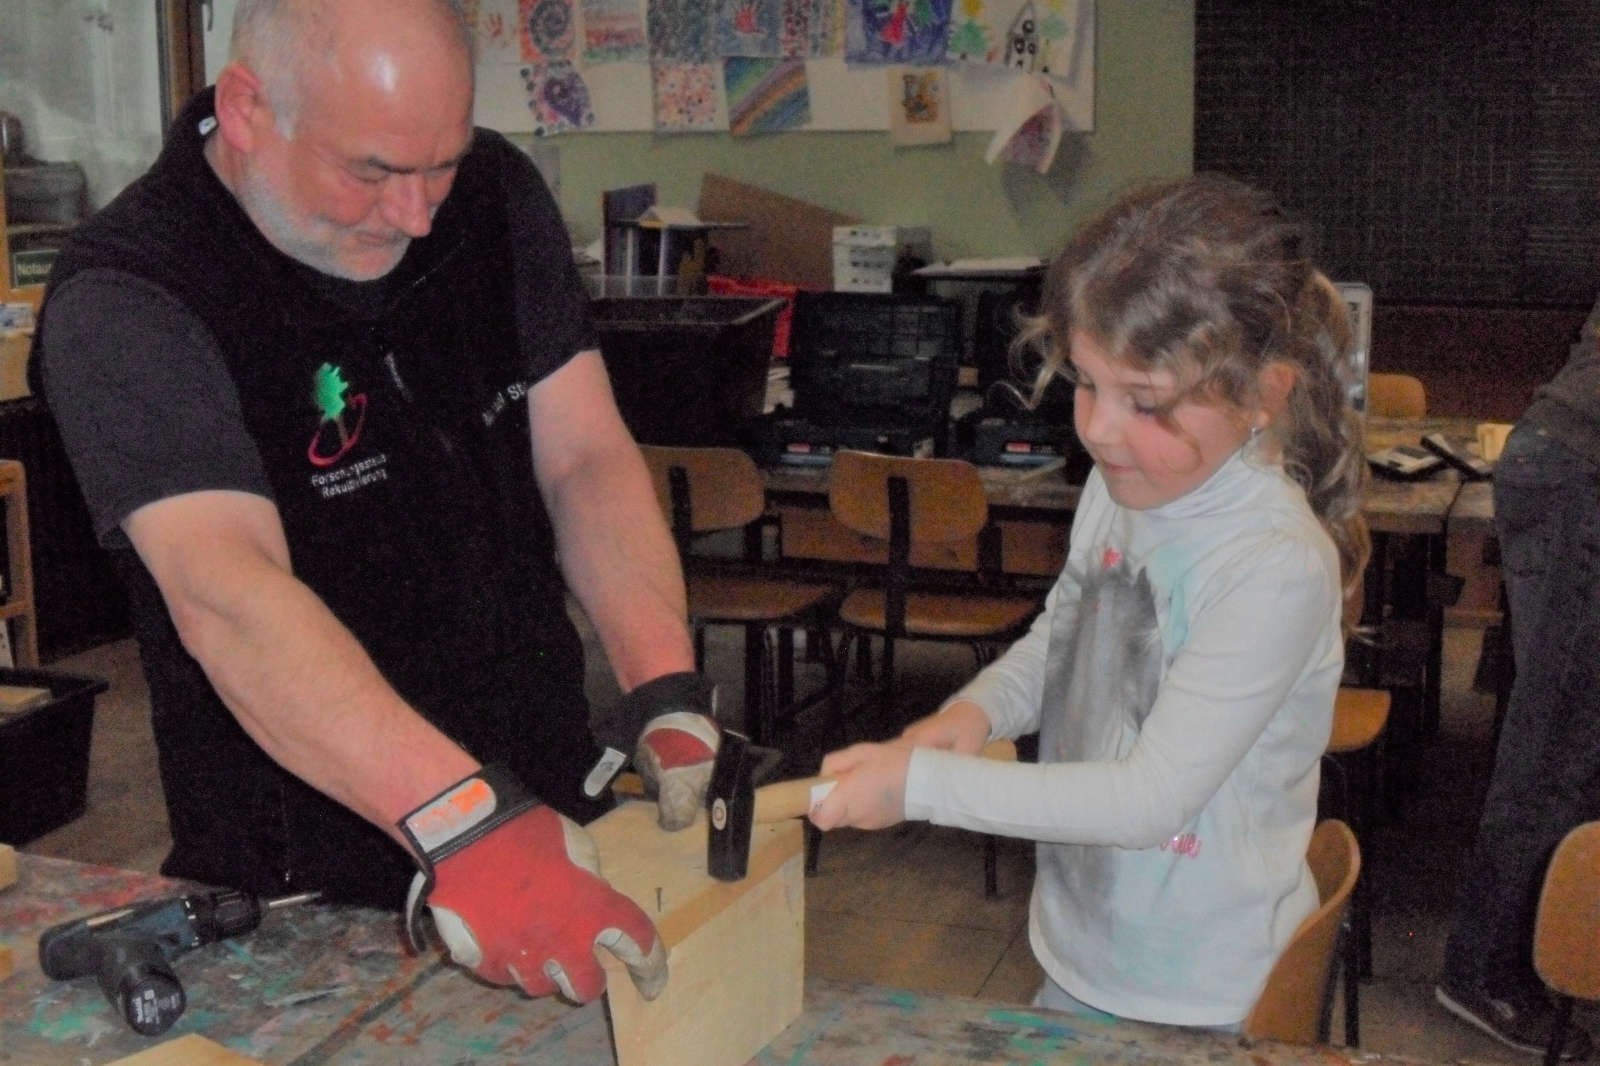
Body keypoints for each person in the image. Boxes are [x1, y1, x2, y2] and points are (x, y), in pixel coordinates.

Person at [32, 0, 721, 1006]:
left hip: (544, 818)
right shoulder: (132, 292)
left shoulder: (491, 196)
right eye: (372, 172)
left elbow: (583, 458)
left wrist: (660, 679)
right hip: (314, 886)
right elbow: (229, 594)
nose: (418, 214)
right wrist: (459, 821)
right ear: (248, 109)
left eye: (440, 164)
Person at [809, 173, 1371, 1029]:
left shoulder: (1273, 564)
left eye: (1143, 401)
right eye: (1087, 382)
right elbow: (1064, 637)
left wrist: (923, 787)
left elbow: (1149, 802)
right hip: (1085, 947)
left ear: (1262, 396)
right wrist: (976, 711)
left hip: (1201, 993)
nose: (1100, 429)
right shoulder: (1125, 481)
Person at [1434, 298, 1600, 1060]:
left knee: (1576, 748)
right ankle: (1483, 975)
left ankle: (1550, 957)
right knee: (1558, 747)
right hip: (1581, 477)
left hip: (1567, 467)